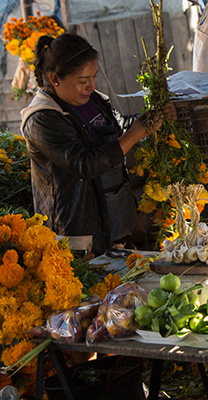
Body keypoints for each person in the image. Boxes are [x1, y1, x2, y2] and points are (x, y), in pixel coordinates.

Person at [20, 33, 176, 255]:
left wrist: (150, 120)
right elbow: (84, 165)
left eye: (93, 78)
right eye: (83, 81)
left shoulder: (92, 100)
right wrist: (134, 135)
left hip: (113, 219)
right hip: (78, 230)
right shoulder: (42, 119)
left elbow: (117, 128)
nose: (91, 86)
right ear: (55, 79)